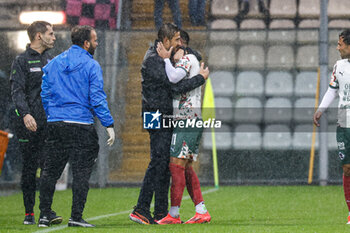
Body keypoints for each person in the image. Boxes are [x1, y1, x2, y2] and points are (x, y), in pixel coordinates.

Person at [129, 23, 209, 225]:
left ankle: (161, 212)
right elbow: (175, 87)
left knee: (165, 163)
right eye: (175, 40)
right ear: (165, 41)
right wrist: (200, 78)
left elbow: (192, 53)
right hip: (156, 115)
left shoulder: (161, 57)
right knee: (159, 161)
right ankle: (142, 208)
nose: (179, 44)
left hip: (163, 114)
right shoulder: (155, 60)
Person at [38, 25, 115, 228]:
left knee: (50, 171)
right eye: (95, 40)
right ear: (86, 43)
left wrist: (52, 113)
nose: (97, 44)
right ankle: (76, 217)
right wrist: (108, 123)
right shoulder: (91, 65)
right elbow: (97, 98)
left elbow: (44, 92)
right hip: (81, 125)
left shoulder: (54, 63)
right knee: (81, 173)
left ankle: (44, 214)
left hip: (56, 124)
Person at [155, 30, 211, 224]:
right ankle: (201, 210)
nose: (173, 46)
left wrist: (165, 59)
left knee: (176, 166)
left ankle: (174, 214)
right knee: (186, 168)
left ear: (181, 45)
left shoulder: (187, 59)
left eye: (177, 41)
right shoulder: (192, 61)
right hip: (191, 119)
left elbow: (172, 80)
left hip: (186, 120)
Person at [9, 21, 56, 225]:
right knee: (29, 168)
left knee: (49, 167)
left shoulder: (51, 59)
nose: (54, 37)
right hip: (27, 124)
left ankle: (46, 210)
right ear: (39, 36)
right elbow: (17, 92)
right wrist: (26, 114)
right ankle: (29, 212)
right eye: (51, 33)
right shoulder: (21, 61)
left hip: (48, 124)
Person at [313, 29, 350, 224]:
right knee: (347, 168)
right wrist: (320, 110)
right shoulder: (339, 66)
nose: (337, 48)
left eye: (340, 44)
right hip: (344, 123)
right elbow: (332, 90)